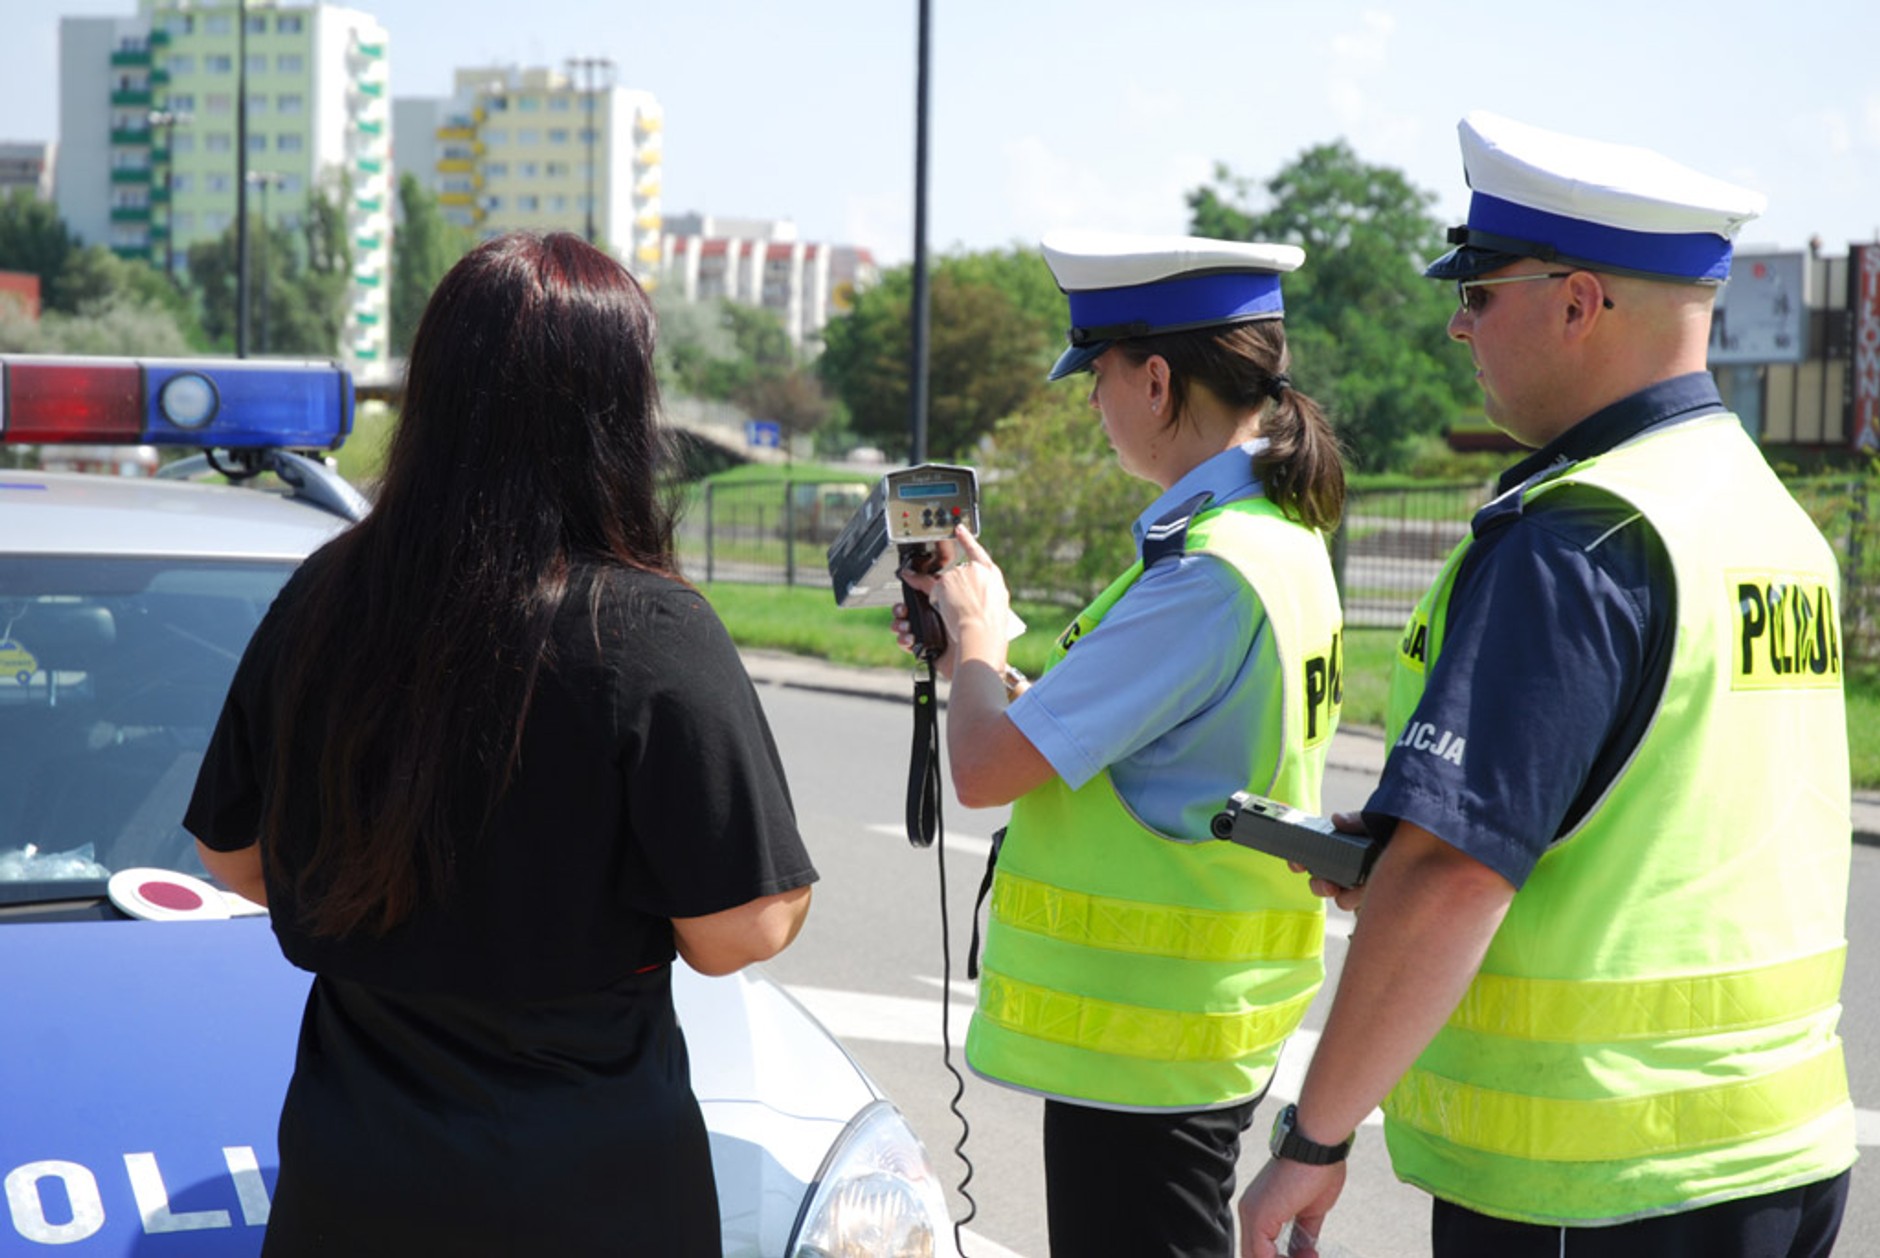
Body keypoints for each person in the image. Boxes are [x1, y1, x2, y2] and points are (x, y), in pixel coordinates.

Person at [1237, 111, 1856, 1258]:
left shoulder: (1574, 537)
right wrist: (1406, 837)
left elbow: (1451, 878)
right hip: (1778, 1152)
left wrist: (1311, 1137)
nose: (1456, 324)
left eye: (1477, 292)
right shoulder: (1762, 513)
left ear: (1575, 303)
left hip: (1594, 1178)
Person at [185, 231, 816, 1256]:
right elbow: (739, 930)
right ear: (617, 413)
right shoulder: (647, 630)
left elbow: (231, 854)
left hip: (349, 1189)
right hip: (585, 1195)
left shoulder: (323, 596)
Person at [896, 229, 1348, 1258]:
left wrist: (977, 632)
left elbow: (982, 771)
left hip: (1148, 1048)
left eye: (1096, 376)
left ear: (1155, 380)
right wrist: (980, 667)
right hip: (1188, 1034)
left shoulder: (1205, 572)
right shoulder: (1273, 538)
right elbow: (1157, 742)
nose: (1092, 404)